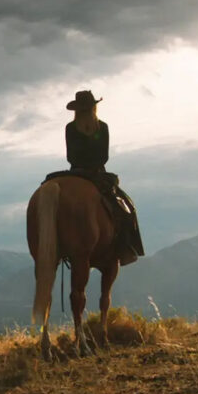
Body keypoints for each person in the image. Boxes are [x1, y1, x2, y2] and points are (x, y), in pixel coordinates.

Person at [65, 91, 145, 264]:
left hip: (75, 172)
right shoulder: (102, 127)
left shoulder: (70, 128)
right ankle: (125, 249)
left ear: (76, 109)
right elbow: (104, 157)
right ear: (94, 107)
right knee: (125, 206)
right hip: (97, 174)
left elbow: (70, 157)